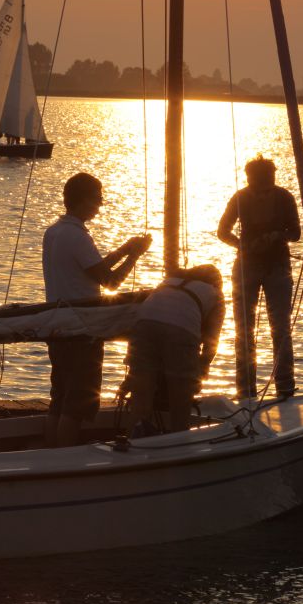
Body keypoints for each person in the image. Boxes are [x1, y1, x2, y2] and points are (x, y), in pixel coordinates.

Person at [42, 172, 152, 447]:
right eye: (97, 199)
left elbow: (93, 269)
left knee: (60, 397)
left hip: (56, 326)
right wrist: (135, 256)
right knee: (77, 402)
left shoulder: (54, 232)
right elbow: (110, 281)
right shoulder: (77, 236)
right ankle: (65, 460)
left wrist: (126, 248)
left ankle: (51, 455)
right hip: (82, 330)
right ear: (83, 200)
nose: (100, 205)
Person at [217, 154, 301, 399]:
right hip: (246, 266)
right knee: (244, 327)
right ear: (250, 179)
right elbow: (222, 231)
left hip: (278, 266)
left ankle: (284, 386)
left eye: (268, 181)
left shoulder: (284, 197)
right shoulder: (240, 198)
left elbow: (295, 233)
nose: (263, 188)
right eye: (259, 182)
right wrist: (243, 246)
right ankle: (246, 389)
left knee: (281, 327)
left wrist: (276, 235)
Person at [127, 264, 225, 434]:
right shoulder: (216, 295)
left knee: (141, 395)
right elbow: (212, 341)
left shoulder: (169, 282)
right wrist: (201, 369)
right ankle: (179, 439)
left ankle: (133, 439)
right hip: (181, 329)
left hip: (143, 324)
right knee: (180, 398)